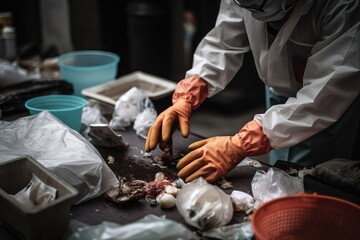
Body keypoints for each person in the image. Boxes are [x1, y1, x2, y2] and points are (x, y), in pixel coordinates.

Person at [145, 0, 360, 183]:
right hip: (277, 90)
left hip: (327, 105)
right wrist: (186, 97)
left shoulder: (343, 7)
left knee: (310, 182)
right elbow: (223, 43)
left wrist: (241, 143)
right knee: (277, 171)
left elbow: (324, 95)